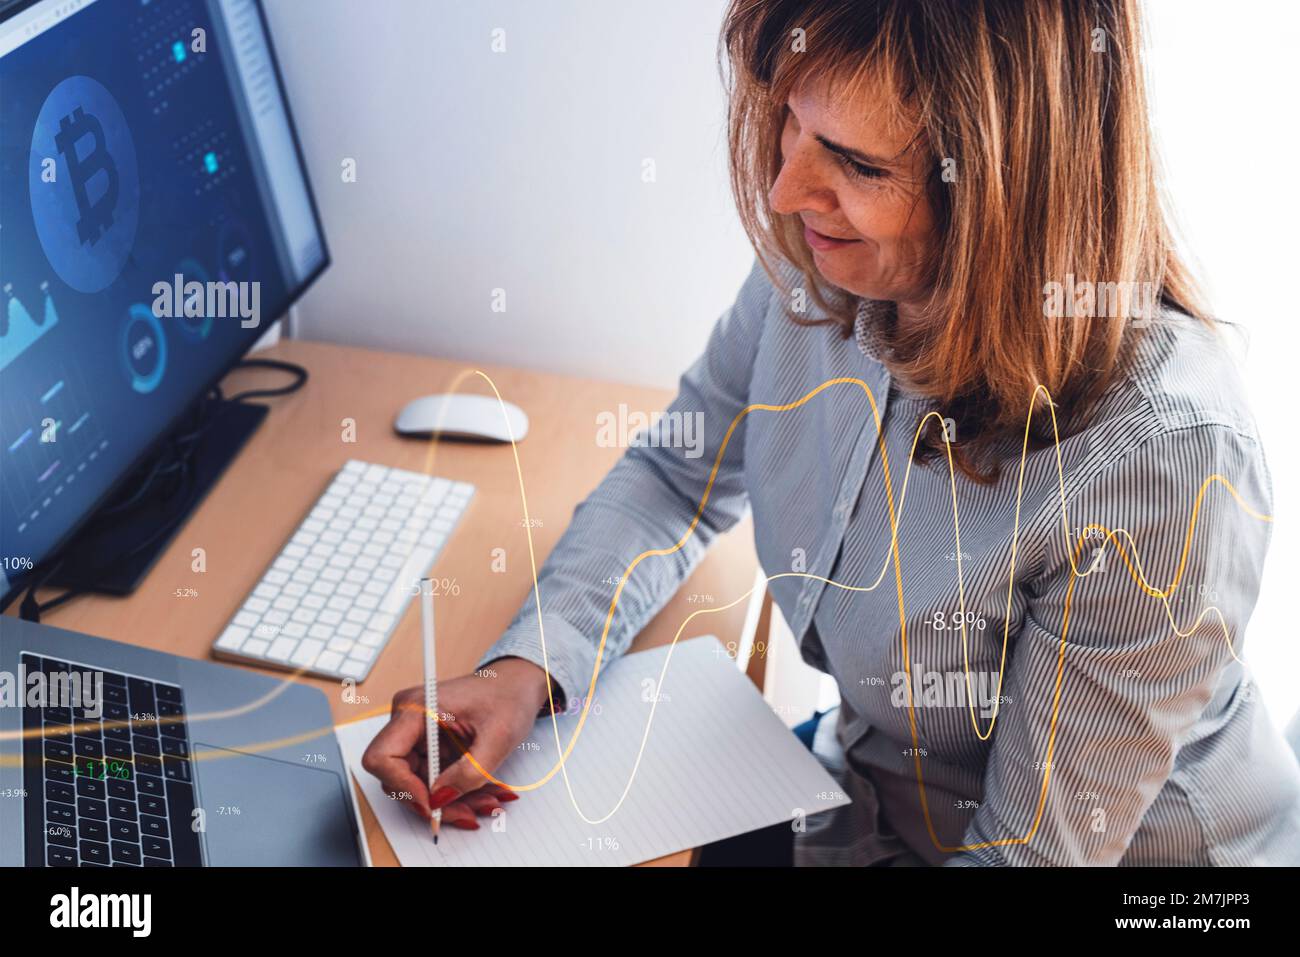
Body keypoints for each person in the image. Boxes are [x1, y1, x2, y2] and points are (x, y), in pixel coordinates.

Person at [363, 0, 1300, 865]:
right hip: (869, 799)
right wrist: (530, 665)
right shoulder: (824, 266)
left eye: (856, 164)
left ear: (1006, 197)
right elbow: (674, 478)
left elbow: (1026, 856)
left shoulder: (1161, 455)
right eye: (790, 123)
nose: (782, 189)